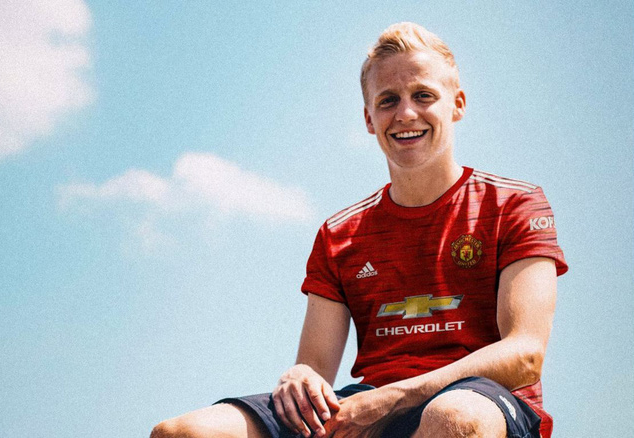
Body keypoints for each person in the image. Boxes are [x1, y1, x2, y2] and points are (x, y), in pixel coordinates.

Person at [151, 22, 568, 438]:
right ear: (369, 118)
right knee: (181, 433)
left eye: (423, 95)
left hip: (478, 399)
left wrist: (393, 398)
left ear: (457, 104)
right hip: (365, 404)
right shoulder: (340, 233)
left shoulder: (514, 204)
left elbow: (525, 355)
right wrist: (300, 377)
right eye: (388, 100)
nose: (405, 113)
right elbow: (315, 368)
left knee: (453, 418)